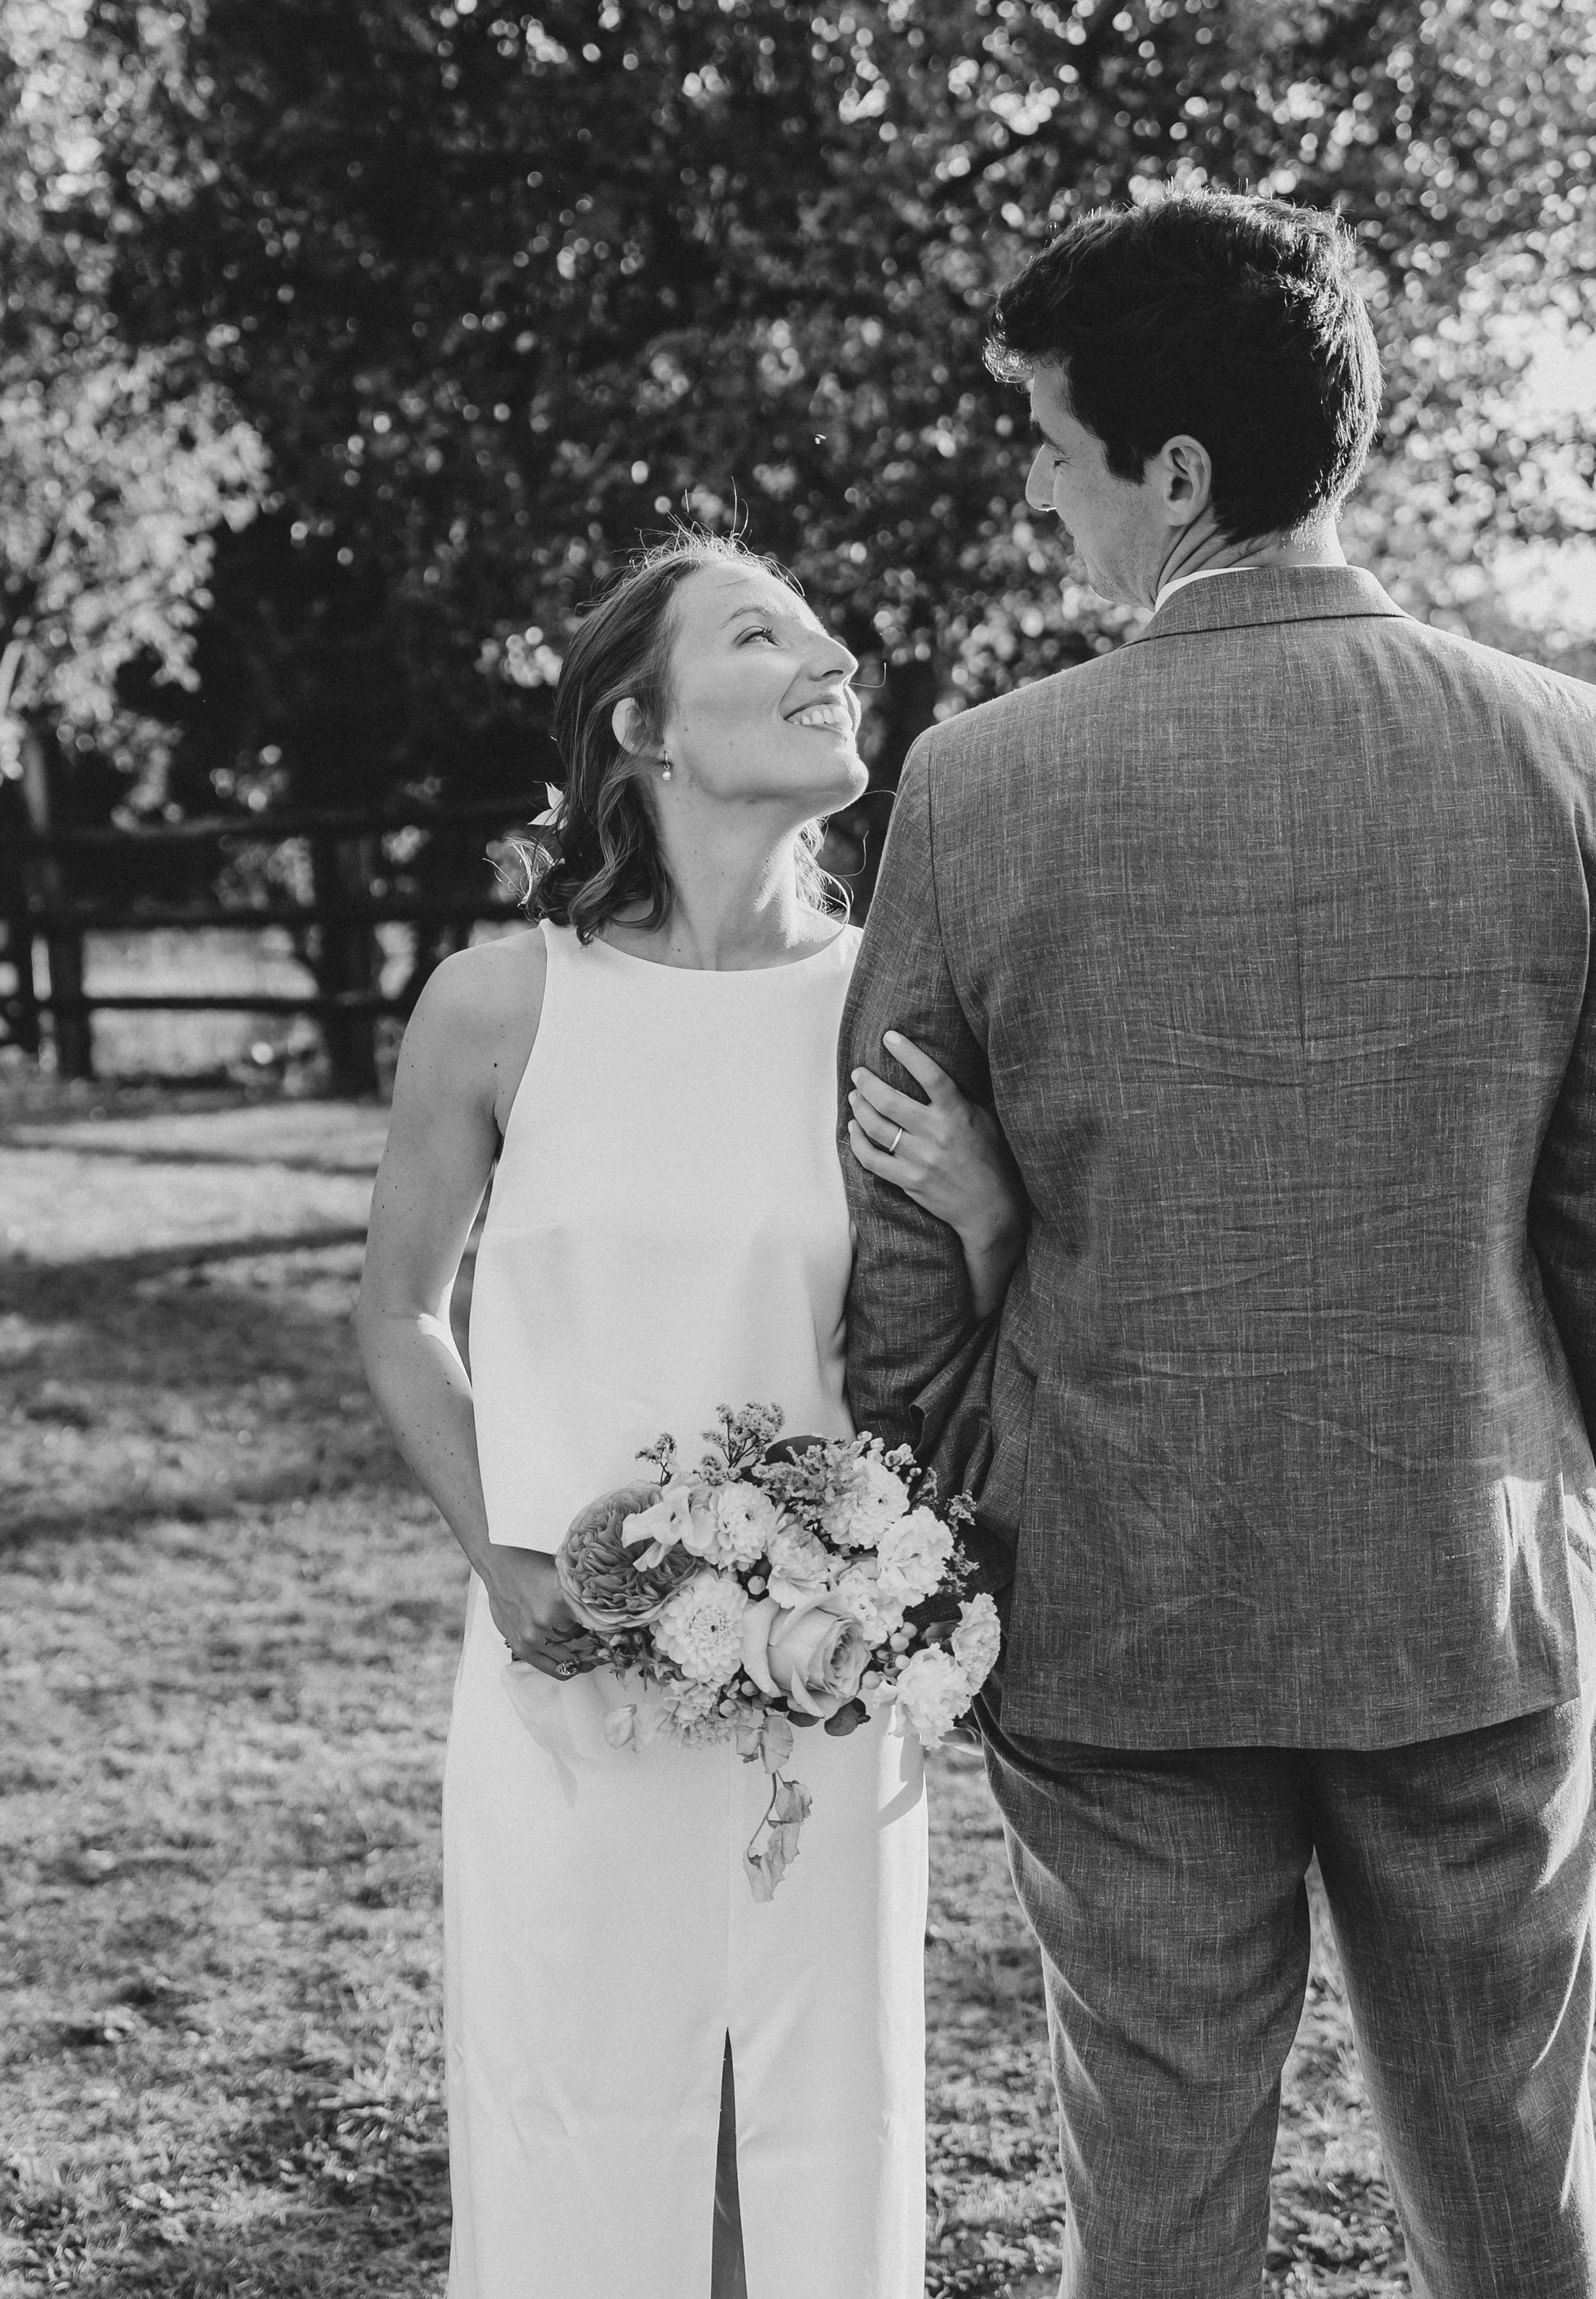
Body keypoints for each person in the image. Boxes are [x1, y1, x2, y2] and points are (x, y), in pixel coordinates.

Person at [840, 187, 1596, 2299]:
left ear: (1176, 473)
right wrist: (1583, 1542)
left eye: (1050, 445)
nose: (1037, 494)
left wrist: (930, 1535)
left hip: (1117, 1603)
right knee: (1512, 2185)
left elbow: (901, 1244)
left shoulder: (976, 781)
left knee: (1155, 2208)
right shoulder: (1569, 748)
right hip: (1472, 1594)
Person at [356, 530, 1025, 2299]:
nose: (831, 660)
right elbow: (398, 1316)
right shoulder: (498, 1004)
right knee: (579, 2118)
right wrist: (501, 1557)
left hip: (823, 1678)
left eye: (824, 635)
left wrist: (986, 1211)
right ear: (641, 726)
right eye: (759, 634)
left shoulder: (891, 1005)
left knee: (810, 2132)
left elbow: (982, 1340)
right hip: (566, 1678)